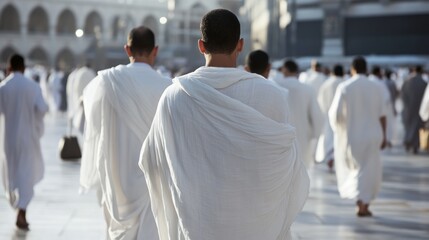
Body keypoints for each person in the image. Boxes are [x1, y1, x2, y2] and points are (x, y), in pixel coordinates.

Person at [139, 9, 309, 240]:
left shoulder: (174, 97)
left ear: (201, 45)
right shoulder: (271, 95)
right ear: (240, 45)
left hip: (196, 224)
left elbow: (151, 161)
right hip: (255, 226)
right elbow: (287, 165)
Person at [80, 26, 170, 239]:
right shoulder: (167, 87)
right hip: (151, 179)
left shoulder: (106, 81)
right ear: (155, 50)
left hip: (116, 176)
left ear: (127, 49)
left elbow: (92, 121)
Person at [329, 56, 386, 217]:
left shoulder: (345, 86)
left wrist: (339, 128)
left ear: (352, 69)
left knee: (358, 169)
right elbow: (382, 115)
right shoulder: (376, 87)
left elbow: (335, 114)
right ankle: (364, 203)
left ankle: (361, 203)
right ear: (366, 69)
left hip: (353, 135)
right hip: (374, 134)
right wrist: (384, 135)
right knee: (370, 170)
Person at [0, 54, 48, 230]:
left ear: (9, 68)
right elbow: (43, 108)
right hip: (28, 137)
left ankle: (18, 208)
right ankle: (22, 210)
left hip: (9, 140)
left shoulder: (3, 87)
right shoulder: (32, 86)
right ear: (24, 68)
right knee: (26, 174)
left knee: (12, 173)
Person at [273, 59, 323, 168]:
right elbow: (317, 116)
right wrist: (315, 136)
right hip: (303, 136)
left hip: (279, 138)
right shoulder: (308, 89)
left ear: (284, 70)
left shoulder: (274, 87)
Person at [315, 64, 344, 170]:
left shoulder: (327, 84)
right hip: (343, 118)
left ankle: (330, 157)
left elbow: (320, 101)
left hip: (328, 115)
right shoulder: (345, 83)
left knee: (329, 137)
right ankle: (335, 157)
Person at [401, 66, 427, 153]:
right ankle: (414, 145)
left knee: (408, 126)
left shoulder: (407, 81)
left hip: (408, 107)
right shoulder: (423, 82)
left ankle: (408, 141)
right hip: (419, 108)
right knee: (416, 127)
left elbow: (402, 95)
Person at [66, 63, 96, 133]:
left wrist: (78, 97)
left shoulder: (80, 73)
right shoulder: (92, 72)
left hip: (80, 97)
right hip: (90, 98)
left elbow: (76, 87)